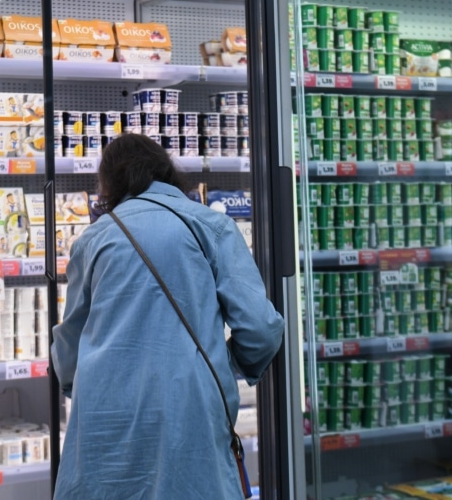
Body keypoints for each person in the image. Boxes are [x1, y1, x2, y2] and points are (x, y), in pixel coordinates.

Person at [52, 133, 284, 500]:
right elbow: (261, 327)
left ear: (109, 183)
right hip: (187, 402)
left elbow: (70, 339)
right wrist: (228, 364)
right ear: (166, 172)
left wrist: (73, 385)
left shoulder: (92, 239)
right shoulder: (211, 226)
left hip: (105, 410)